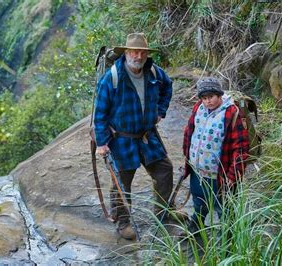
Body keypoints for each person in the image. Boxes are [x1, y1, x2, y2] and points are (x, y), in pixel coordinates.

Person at [94, 33, 179, 240]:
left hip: (147, 135)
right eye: (134, 51)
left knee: (164, 170)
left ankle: (163, 212)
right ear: (126, 52)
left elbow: (167, 86)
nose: (138, 56)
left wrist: (161, 110)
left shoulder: (153, 72)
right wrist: (102, 142)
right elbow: (100, 113)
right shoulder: (112, 77)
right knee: (122, 181)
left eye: (142, 52)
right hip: (122, 138)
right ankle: (123, 222)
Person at [182, 77, 250, 234]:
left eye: (211, 97)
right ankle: (196, 228)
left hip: (220, 175)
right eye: (204, 98)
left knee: (224, 209)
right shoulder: (198, 108)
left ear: (219, 95)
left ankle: (229, 240)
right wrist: (187, 161)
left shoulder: (232, 113)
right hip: (197, 171)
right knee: (199, 201)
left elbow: (240, 148)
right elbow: (189, 133)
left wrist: (233, 176)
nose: (208, 101)